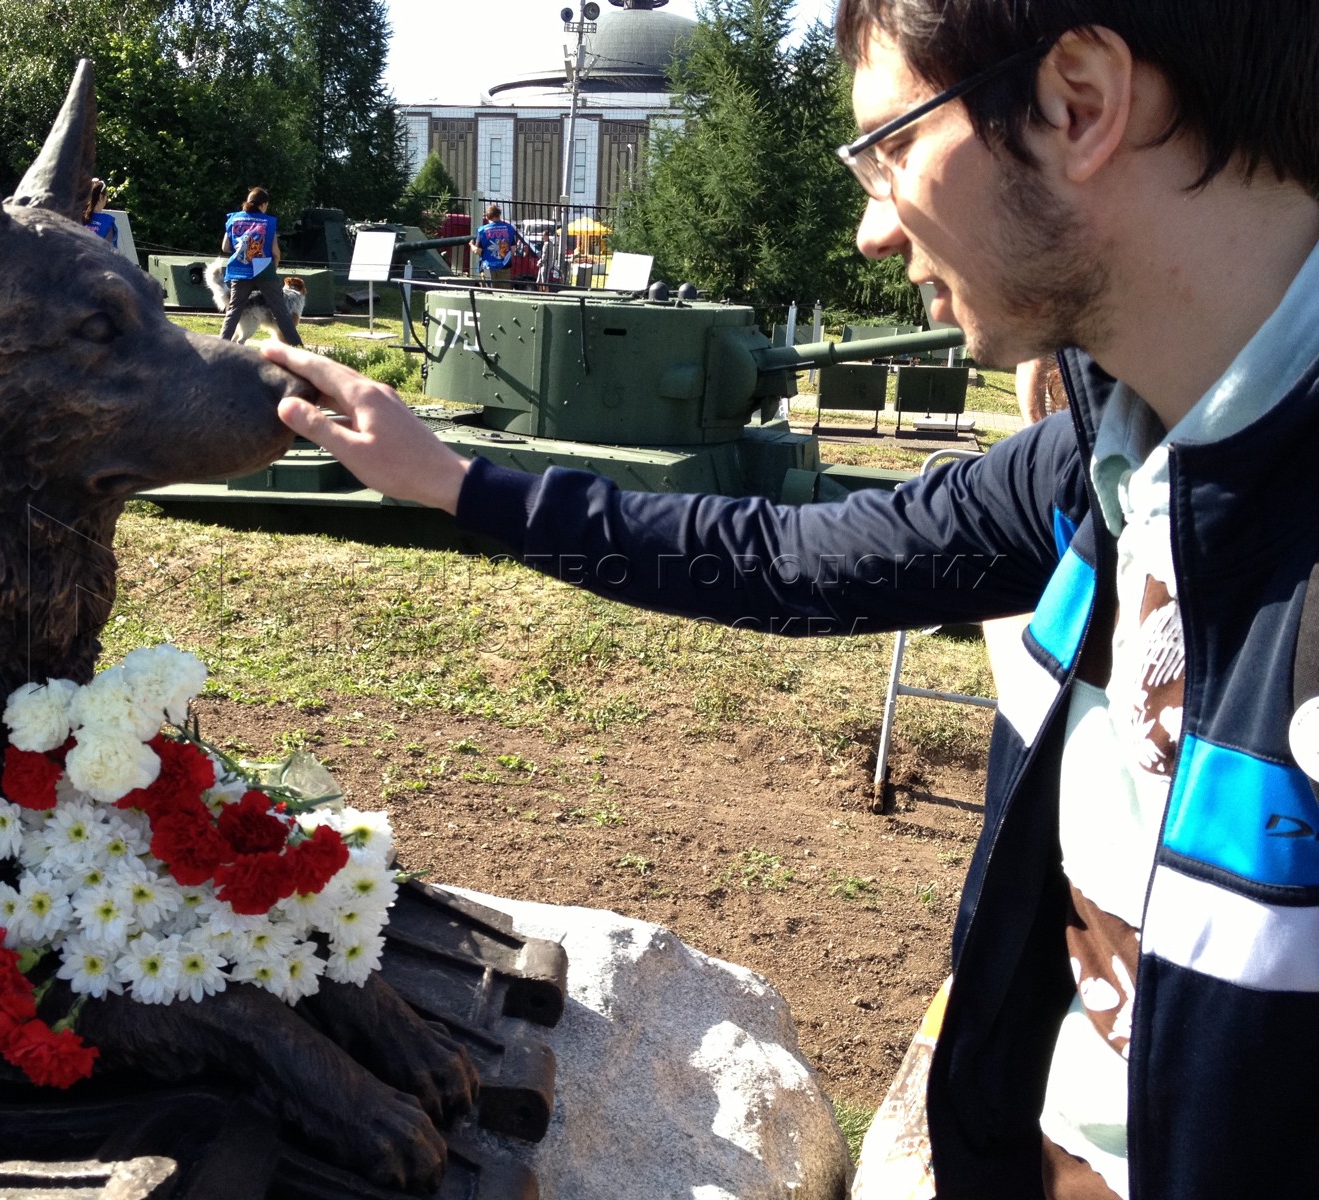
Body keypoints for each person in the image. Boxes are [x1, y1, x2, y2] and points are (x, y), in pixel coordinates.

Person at [264, 1, 1319, 1195]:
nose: (874, 227)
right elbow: (793, 557)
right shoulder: (1108, 460)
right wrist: (454, 483)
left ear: (1078, 102)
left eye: (891, 147)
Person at [219, 186, 301, 346]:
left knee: (234, 310)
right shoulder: (268, 222)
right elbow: (276, 253)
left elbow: (225, 247)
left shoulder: (234, 219)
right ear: (263, 205)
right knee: (280, 310)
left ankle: (221, 345)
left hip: (239, 270)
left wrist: (241, 251)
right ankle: (295, 345)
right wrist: (272, 269)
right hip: (264, 270)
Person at [469, 204, 524, 287]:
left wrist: (471, 245)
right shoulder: (509, 228)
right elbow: (513, 249)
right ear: (499, 215)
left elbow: (477, 250)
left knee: (488, 293)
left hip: (487, 267)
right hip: (505, 265)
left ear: (488, 217)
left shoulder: (482, 230)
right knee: (504, 293)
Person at [83, 177, 118, 247]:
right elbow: (109, 252)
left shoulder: (76, 217)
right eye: (106, 196)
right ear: (102, 197)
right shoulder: (107, 223)